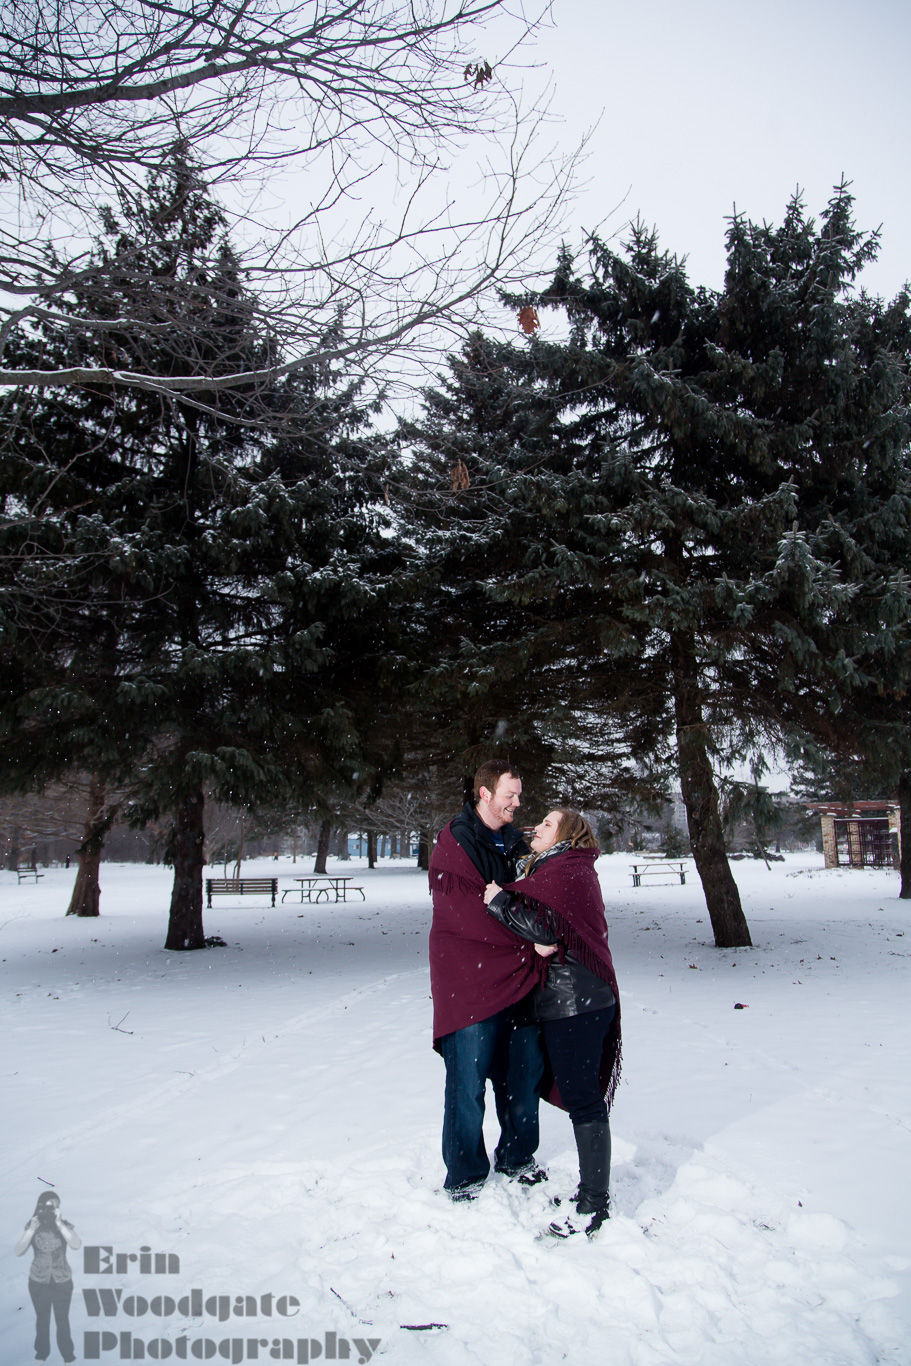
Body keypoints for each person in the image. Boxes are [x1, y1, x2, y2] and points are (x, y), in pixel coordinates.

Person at [484, 807, 621, 1237]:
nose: (536, 828)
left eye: (546, 823)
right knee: (582, 1096)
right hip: (576, 998)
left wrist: (498, 901)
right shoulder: (560, 868)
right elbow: (547, 928)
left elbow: (545, 927)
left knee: (583, 1099)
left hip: (576, 1003)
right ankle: (592, 1195)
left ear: (567, 834)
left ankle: (594, 1205)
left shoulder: (570, 870)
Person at [429, 760, 546, 1200]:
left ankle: (517, 1157)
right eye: (509, 795)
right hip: (471, 983)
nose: (518, 802)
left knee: (522, 1076)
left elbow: (536, 896)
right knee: (467, 1082)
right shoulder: (456, 841)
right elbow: (465, 915)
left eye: (518, 794)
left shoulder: (516, 843)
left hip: (520, 980)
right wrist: (528, 932)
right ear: (484, 794)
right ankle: (465, 1174)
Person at [15, 1190, 81, 1363]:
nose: (53, 1209)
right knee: (42, 1321)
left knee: (62, 1322)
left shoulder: (63, 1225)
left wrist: (59, 1223)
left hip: (62, 1281)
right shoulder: (32, 1225)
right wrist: (31, 1230)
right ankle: (41, 1356)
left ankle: (68, 1357)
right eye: (49, 1206)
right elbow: (18, 1251)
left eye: (57, 1206)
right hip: (38, 1282)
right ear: (40, 1206)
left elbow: (76, 1244)